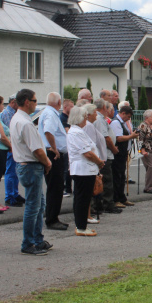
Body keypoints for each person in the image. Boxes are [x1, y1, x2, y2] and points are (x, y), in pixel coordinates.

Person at [10, 89, 53, 256]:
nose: (36, 104)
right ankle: (28, 243)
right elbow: (36, 150)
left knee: (39, 204)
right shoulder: (25, 123)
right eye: (35, 101)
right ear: (27, 101)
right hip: (31, 165)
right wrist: (47, 162)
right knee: (33, 206)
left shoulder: (19, 118)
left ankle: (37, 239)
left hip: (27, 165)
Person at [67, 106, 104, 236]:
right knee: (82, 198)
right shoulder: (76, 132)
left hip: (85, 169)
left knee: (82, 198)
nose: (86, 119)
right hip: (83, 169)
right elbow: (87, 153)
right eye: (85, 117)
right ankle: (81, 227)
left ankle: (81, 225)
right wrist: (99, 162)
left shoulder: (78, 131)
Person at [38, 92, 69, 230]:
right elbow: (48, 132)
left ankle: (53, 216)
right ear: (59, 103)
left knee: (56, 187)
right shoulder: (51, 114)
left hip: (52, 152)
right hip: (53, 154)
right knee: (55, 187)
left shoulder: (49, 113)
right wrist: (55, 148)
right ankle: (52, 219)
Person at [91, 100, 121, 214]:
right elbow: (105, 137)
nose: (110, 111)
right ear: (104, 107)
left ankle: (102, 204)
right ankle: (107, 204)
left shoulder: (101, 119)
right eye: (109, 108)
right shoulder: (99, 120)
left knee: (106, 180)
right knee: (107, 180)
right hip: (105, 154)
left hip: (106, 154)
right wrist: (114, 149)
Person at [79, 102, 103, 224]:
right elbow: (90, 147)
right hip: (89, 163)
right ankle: (86, 216)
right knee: (87, 191)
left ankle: (87, 215)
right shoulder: (88, 126)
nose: (96, 115)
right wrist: (98, 161)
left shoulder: (89, 125)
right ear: (88, 115)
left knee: (88, 191)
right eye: (94, 113)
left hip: (91, 161)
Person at [110, 105, 139, 207]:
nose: (128, 119)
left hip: (123, 152)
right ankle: (116, 199)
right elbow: (119, 138)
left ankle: (122, 198)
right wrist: (132, 136)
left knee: (122, 176)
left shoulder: (122, 123)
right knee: (117, 176)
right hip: (117, 153)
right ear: (123, 113)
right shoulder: (116, 123)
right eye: (128, 116)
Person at [0, 94, 24, 208]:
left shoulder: (13, 113)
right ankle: (10, 196)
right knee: (10, 171)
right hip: (10, 146)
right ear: (13, 102)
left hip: (15, 146)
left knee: (15, 171)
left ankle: (14, 193)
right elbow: (11, 131)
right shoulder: (6, 114)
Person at [137, 109, 152, 194]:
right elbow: (140, 139)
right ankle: (148, 187)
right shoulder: (143, 126)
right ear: (147, 117)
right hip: (147, 150)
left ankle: (149, 186)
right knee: (150, 167)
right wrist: (142, 150)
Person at [60, 99, 74, 197]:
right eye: (71, 107)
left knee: (69, 168)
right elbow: (68, 131)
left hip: (70, 146)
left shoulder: (69, 117)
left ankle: (68, 188)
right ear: (65, 107)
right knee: (66, 169)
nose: (73, 109)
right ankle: (66, 188)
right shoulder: (63, 118)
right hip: (65, 146)